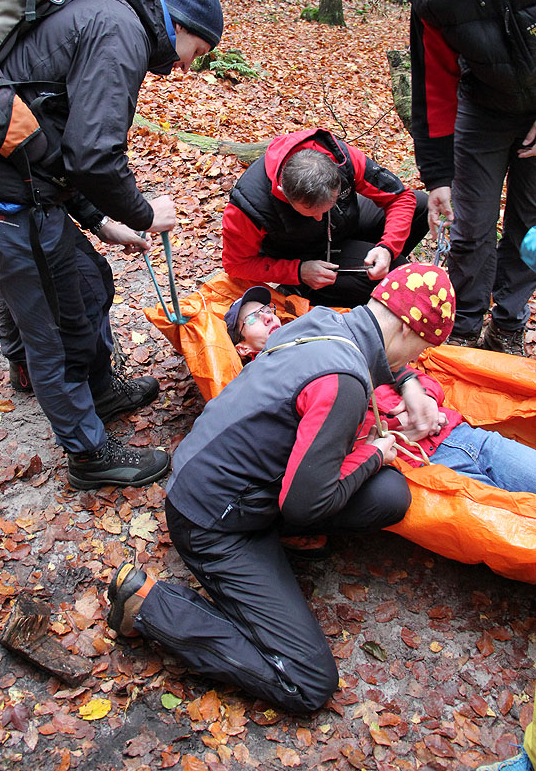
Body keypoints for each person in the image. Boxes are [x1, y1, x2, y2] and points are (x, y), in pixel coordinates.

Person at [105, 263, 455, 713]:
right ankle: (151, 606)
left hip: (225, 480)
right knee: (308, 683)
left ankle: (278, 539)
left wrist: (405, 388)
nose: (416, 360)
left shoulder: (325, 321)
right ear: (407, 329)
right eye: (422, 348)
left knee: (389, 495)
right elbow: (308, 505)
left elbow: (363, 373)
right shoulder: (344, 381)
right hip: (211, 521)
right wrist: (374, 452)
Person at [0, 0, 224, 492]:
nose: (187, 67)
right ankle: (89, 454)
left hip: (15, 180)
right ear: (179, 25)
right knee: (57, 325)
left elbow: (57, 131)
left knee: (90, 284)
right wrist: (142, 213)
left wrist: (100, 221)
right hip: (5, 196)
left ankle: (99, 392)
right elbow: (93, 156)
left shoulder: (111, 17)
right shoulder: (121, 33)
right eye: (197, 51)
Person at [230, 286, 536, 494]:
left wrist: (423, 396)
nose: (268, 316)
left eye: (268, 308)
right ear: (242, 347)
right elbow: (324, 446)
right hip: (419, 469)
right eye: (253, 318)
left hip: (462, 436)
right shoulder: (272, 386)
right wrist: (397, 427)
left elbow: (416, 369)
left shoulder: (332, 337)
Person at [404, 0, 536, 356]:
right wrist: (437, 174)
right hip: (483, 105)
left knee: (528, 226)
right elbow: (433, 81)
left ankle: (508, 326)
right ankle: (462, 327)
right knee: (471, 226)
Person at [222, 128, 429, 308]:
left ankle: (369, 265)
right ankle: (305, 290)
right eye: (311, 212)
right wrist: (298, 272)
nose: (319, 218)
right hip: (305, 255)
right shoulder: (249, 205)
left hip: (344, 223)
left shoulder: (341, 157)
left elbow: (401, 196)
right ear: (284, 193)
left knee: (421, 205)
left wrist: (387, 247)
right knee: (399, 275)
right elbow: (235, 265)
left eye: (328, 206)